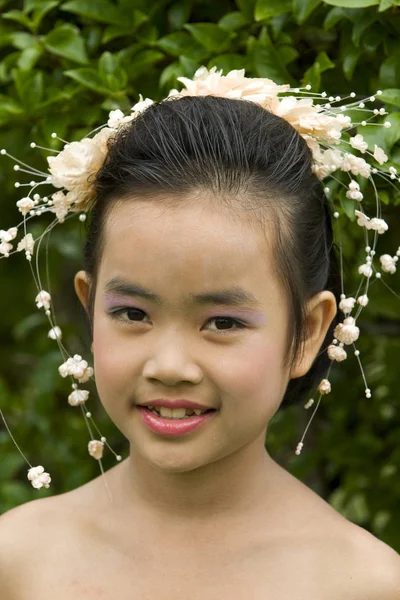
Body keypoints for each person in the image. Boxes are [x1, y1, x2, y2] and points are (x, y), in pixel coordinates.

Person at [0, 70, 399, 599]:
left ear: (306, 333)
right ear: (89, 305)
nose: (169, 365)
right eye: (133, 314)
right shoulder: (18, 560)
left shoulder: (366, 584)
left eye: (223, 323)